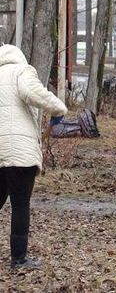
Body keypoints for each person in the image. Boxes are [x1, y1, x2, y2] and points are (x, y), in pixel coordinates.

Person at [0, 44, 67, 269]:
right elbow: (32, 93)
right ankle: (19, 259)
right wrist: (58, 109)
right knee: (20, 205)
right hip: (19, 152)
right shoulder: (22, 70)